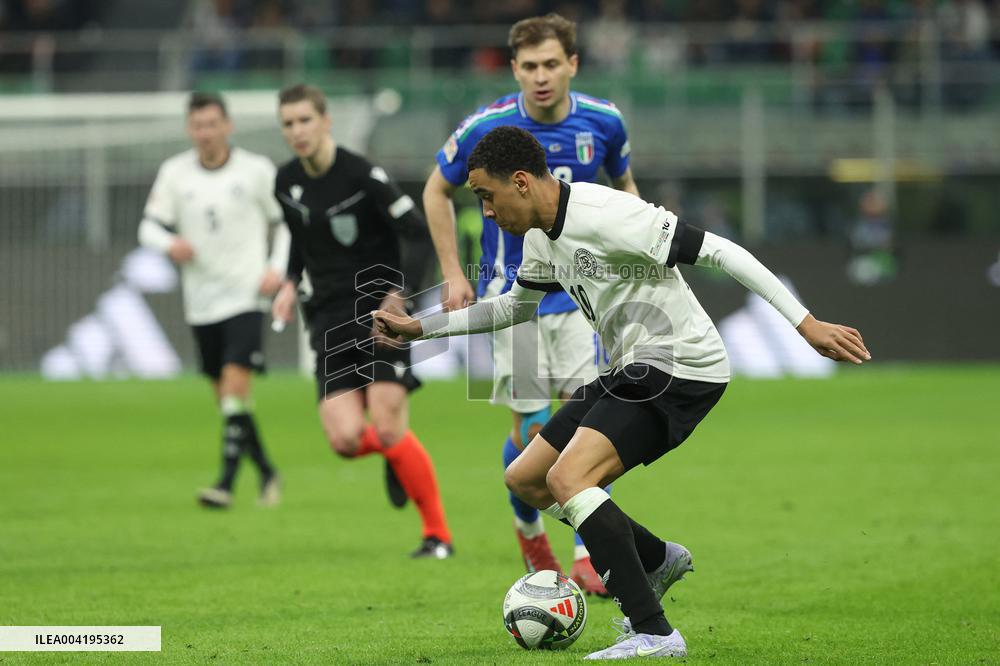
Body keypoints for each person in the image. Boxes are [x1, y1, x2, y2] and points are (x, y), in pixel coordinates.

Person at [374, 126, 871, 658]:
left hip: (681, 364)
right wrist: (422, 329)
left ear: (520, 182)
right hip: (632, 368)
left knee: (569, 477)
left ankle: (656, 633)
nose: (487, 212)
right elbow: (514, 309)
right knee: (526, 478)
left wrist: (807, 323)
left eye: (486, 197)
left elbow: (722, 251)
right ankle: (656, 558)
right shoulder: (541, 238)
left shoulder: (607, 213)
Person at [423, 12, 637, 593]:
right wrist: (451, 273)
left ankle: (587, 553)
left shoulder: (604, 122)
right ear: (514, 68)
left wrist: (628, 265)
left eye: (551, 64)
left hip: (581, 299)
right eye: (529, 67)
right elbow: (434, 189)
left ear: (572, 64)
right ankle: (527, 525)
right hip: (510, 298)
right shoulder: (484, 129)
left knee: (589, 425)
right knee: (531, 430)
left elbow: (626, 191)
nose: (541, 77)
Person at [270, 84, 454, 559]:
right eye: (288, 123)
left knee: (390, 426)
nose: (297, 131)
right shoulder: (285, 181)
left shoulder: (363, 174)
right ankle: (397, 456)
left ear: (325, 121)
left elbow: (416, 233)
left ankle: (438, 537)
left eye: (305, 120)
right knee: (345, 440)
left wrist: (400, 294)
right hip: (328, 315)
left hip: (380, 313)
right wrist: (290, 282)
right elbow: (298, 236)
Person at [138, 92, 286, 509]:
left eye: (212, 124)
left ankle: (224, 484)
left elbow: (286, 223)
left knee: (237, 388)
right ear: (190, 129)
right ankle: (269, 472)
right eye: (198, 125)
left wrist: (275, 267)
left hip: (246, 295)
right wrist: (169, 244)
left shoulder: (255, 170)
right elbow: (147, 228)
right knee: (227, 400)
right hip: (201, 301)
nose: (205, 133)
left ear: (228, 126)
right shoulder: (174, 173)